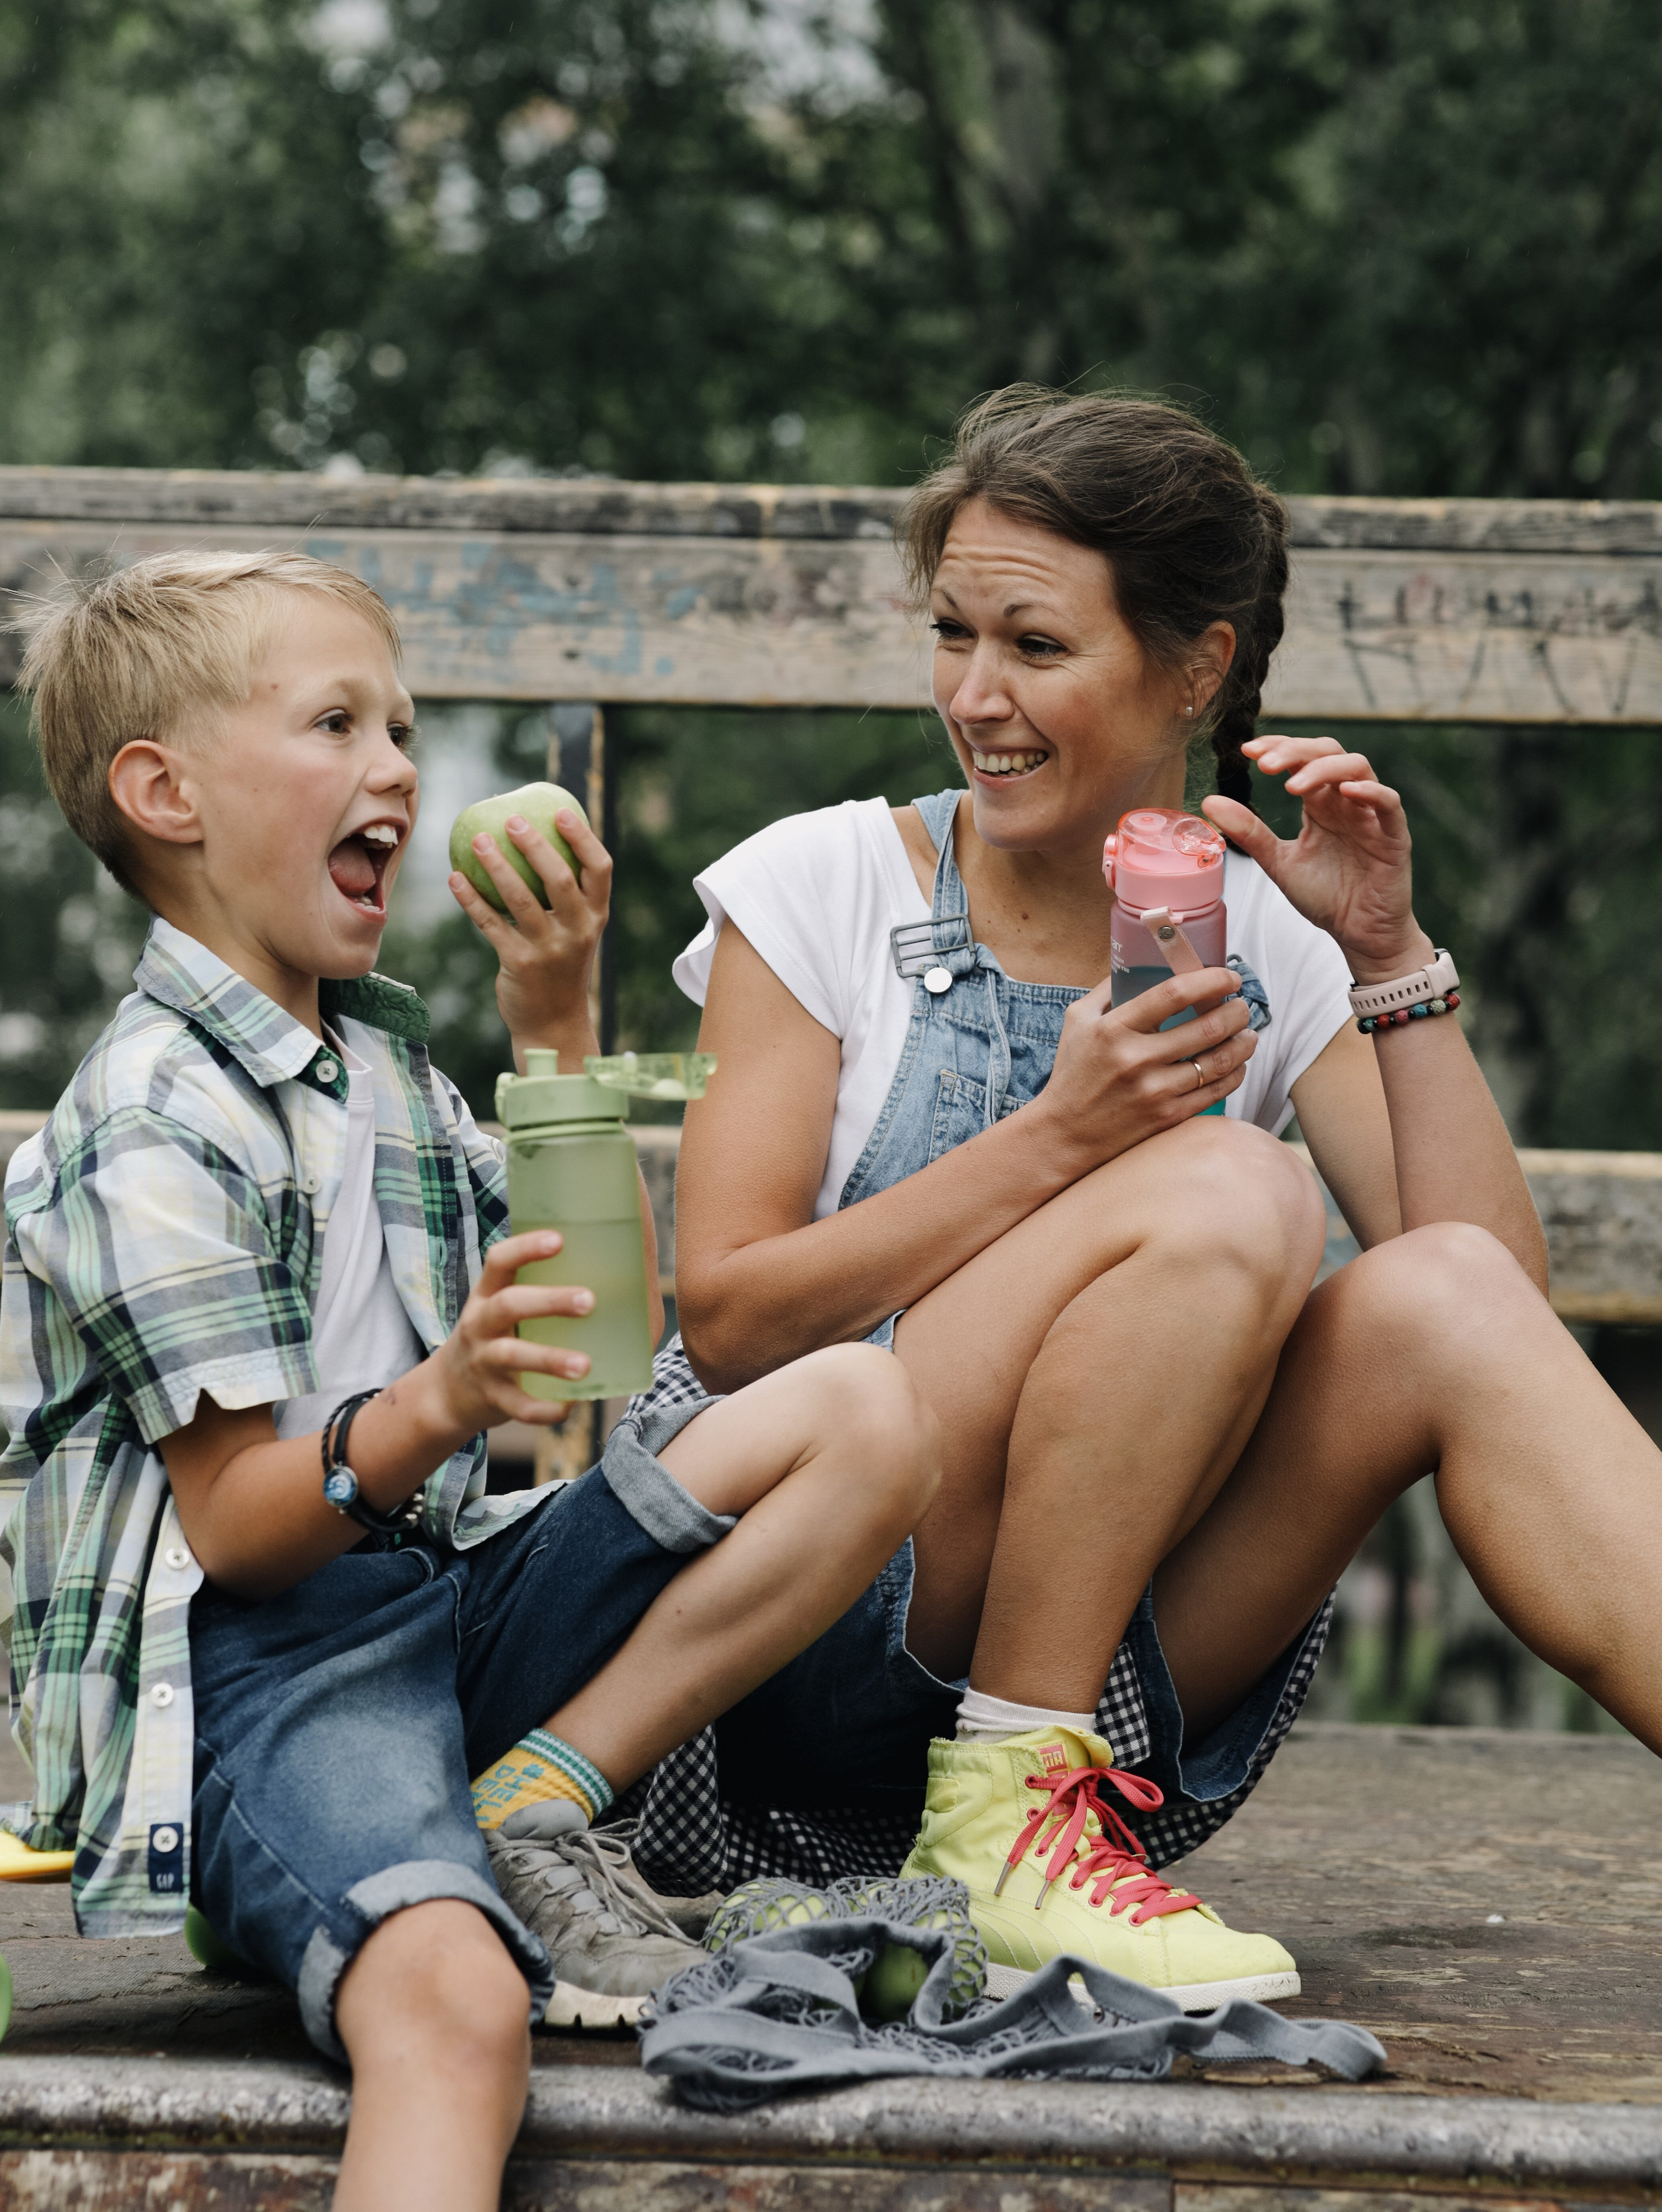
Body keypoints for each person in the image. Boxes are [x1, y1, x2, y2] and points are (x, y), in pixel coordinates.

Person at [623, 386, 1662, 2013]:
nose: (975, 695)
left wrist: (1384, 959)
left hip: (1102, 1681)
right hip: (783, 1648)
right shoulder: (819, 885)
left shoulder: (1270, 928)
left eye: (1033, 647)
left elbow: (1489, 1301)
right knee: (1233, 1186)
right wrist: (1057, 1136)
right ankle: (1004, 1816)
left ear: (1193, 668)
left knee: (1434, 1301)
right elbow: (734, 1322)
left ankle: (1028, 1804)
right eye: (953, 633)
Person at [0, 551, 939, 2212]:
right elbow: (235, 1534)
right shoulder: (148, 1119)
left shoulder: (382, 1071)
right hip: (267, 1677)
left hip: (442, 1603)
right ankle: (376, 1879)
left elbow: (611, 1345)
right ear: (165, 793)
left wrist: (555, 1018)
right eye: (336, 723)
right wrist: (438, 1402)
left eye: (403, 729)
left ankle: (538, 1794)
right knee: (457, 2009)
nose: (398, 770)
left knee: (861, 1412)